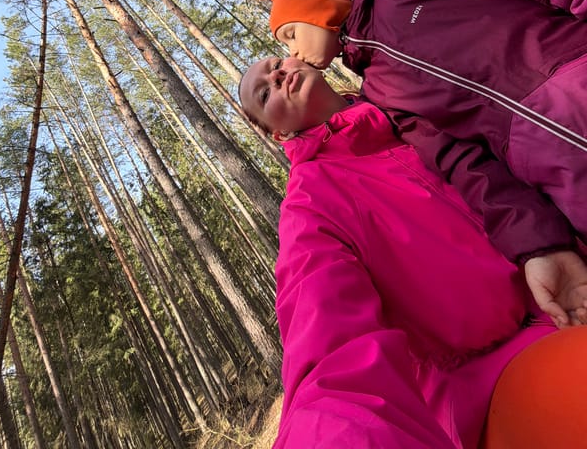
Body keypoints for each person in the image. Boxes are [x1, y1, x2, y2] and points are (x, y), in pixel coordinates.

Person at [239, 56, 587, 449]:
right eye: (265, 92)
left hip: (575, 273)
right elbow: (327, 344)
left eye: (274, 64)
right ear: (277, 134)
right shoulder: (310, 205)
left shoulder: (412, 100)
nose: (278, 75)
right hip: (495, 378)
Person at [267, 0, 587, 326]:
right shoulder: (381, 95)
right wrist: (540, 245)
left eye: (290, 35)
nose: (292, 54)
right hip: (570, 183)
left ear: (314, 7)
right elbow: (465, 165)